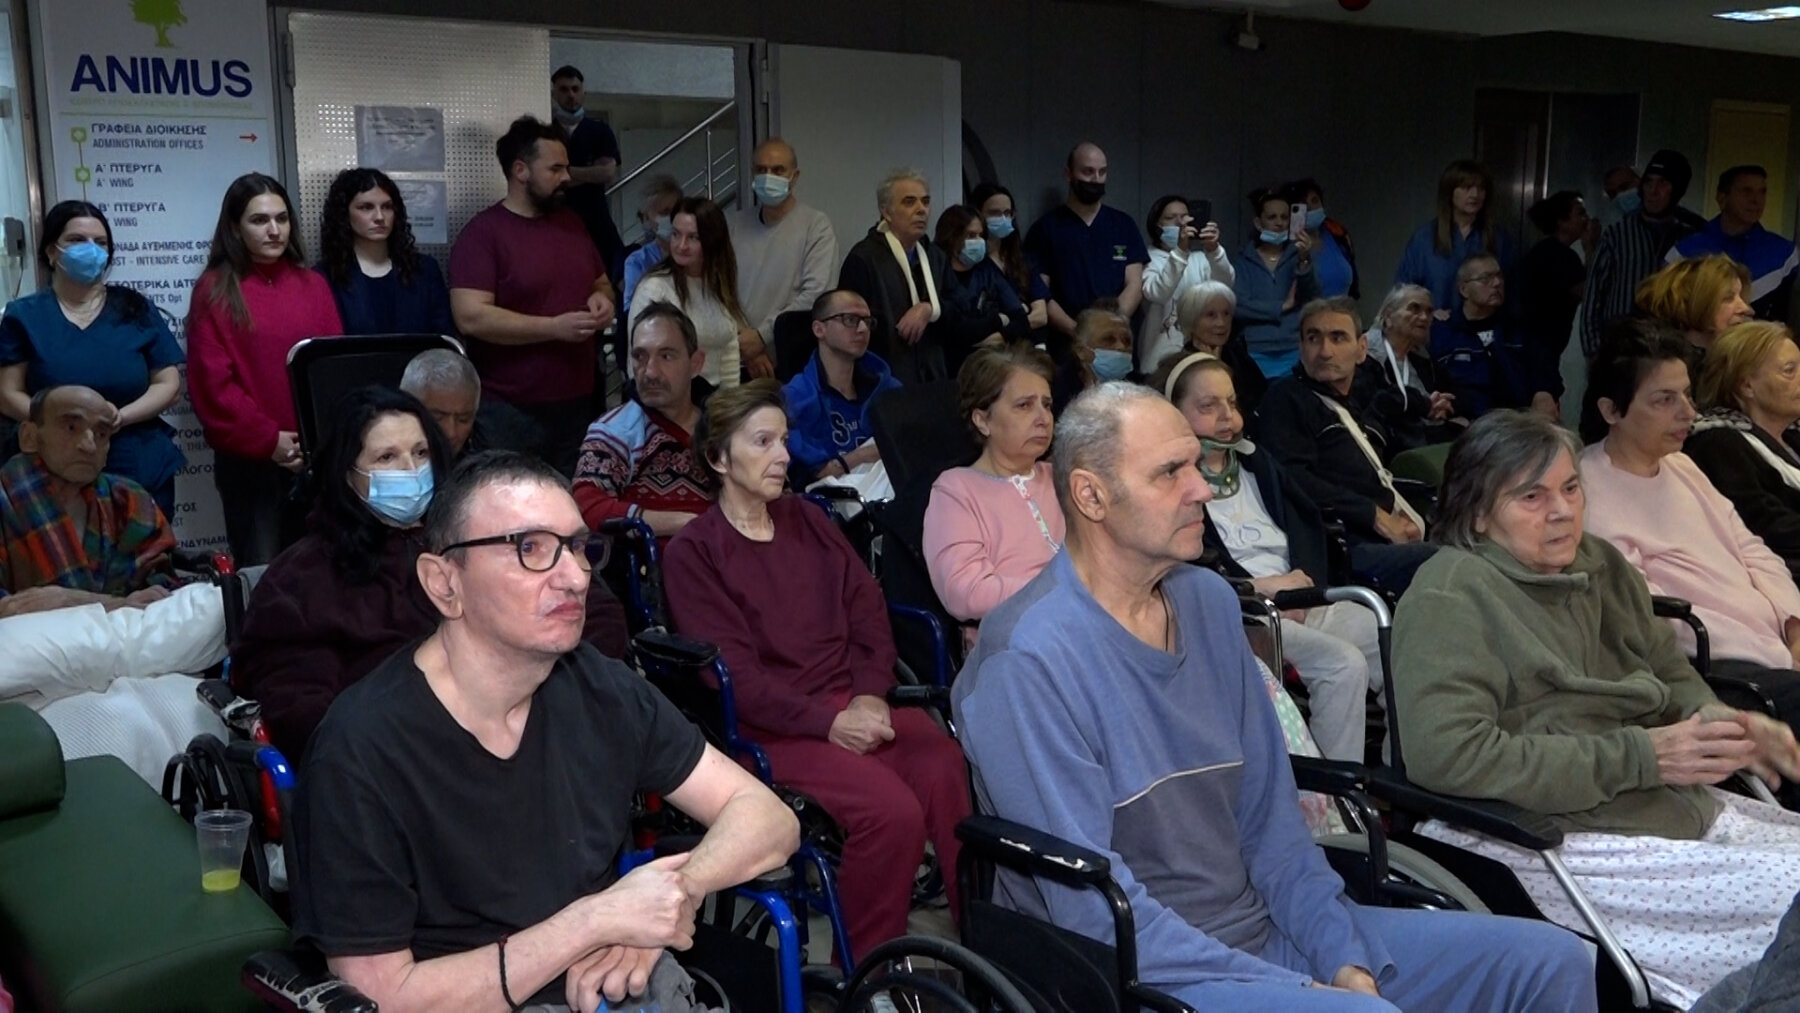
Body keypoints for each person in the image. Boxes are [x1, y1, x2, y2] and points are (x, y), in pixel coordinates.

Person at [954, 381, 1596, 1011]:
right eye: (1171, 472)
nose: (1203, 488)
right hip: (1143, 971)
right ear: (1091, 495)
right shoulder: (1027, 661)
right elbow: (1092, 912)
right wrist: (1296, 990)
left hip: (1267, 928)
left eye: (1196, 465)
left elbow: (1273, 826)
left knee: (1552, 961)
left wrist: (1342, 957)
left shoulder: (1208, 604)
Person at [290, 449, 798, 1012]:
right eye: (529, 548)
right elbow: (381, 998)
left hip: (618, 991)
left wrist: (670, 896)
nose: (575, 576)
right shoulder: (360, 751)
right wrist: (593, 921)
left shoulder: (600, 688)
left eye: (578, 547)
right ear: (444, 583)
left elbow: (768, 818)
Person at [1391, 407, 1800, 1008]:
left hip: (1663, 807)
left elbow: (1667, 669)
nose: (1562, 511)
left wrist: (1717, 721)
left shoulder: (1602, 565)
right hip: (1544, 833)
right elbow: (1448, 756)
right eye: (1531, 496)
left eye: (1571, 488)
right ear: (1478, 513)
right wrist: (1641, 757)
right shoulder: (1450, 595)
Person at [664, 380, 971, 961]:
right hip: (775, 727)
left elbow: (866, 608)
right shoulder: (695, 554)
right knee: (892, 813)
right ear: (719, 458)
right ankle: (867, 969)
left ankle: (980, 934)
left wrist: (871, 694)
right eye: (763, 442)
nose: (783, 455)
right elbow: (736, 679)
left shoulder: (807, 517)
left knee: (945, 765)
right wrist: (828, 722)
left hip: (852, 699)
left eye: (784, 440)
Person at [232, 385, 628, 760]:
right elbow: (300, 709)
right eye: (386, 458)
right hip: (394, 763)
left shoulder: (484, 532)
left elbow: (599, 614)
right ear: (346, 472)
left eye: (421, 453)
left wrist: (546, 699)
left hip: (535, 738)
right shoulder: (302, 578)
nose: (410, 469)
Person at [1152, 353, 1382, 762]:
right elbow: (1189, 572)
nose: (1227, 416)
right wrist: (1262, 590)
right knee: (1342, 665)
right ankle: (1332, 796)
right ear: (1174, 416)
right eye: (1208, 406)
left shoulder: (1259, 462)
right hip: (1248, 611)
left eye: (1231, 402)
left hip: (1301, 594)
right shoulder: (1173, 488)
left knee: (1385, 639)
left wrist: (1305, 582)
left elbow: (1307, 522)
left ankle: (1399, 768)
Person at [1578, 319, 1800, 715]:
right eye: (1665, 400)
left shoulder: (1681, 465)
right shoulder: (1587, 493)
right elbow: (1651, 617)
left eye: (1686, 394)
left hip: (1774, 643)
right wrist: (1772, 651)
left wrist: (1793, 625)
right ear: (1611, 410)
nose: (1689, 413)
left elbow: (1752, 549)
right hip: (1708, 667)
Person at [187, 172, 343, 565]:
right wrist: (269, 441)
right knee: (263, 575)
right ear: (235, 228)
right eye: (259, 220)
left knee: (322, 573)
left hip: (316, 460)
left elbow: (331, 368)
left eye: (281, 218)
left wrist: (322, 441)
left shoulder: (313, 284)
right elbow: (213, 385)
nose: (274, 230)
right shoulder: (215, 289)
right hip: (253, 463)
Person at [448, 115, 616, 477]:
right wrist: (553, 328)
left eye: (566, 167)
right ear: (520, 171)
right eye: (555, 168)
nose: (567, 177)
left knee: (573, 503)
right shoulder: (483, 234)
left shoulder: (572, 225)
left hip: (578, 405)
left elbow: (601, 283)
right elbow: (471, 316)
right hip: (508, 411)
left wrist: (603, 301)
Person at [0, 201, 184, 517]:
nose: (91, 249)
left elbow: (168, 383)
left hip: (135, 459)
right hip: (51, 465)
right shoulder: (25, 315)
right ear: (52, 252)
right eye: (77, 240)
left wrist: (119, 417)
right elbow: (7, 393)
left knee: (142, 546)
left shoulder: (135, 309)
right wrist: (67, 424)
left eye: (100, 242)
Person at [1257, 298, 1437, 592]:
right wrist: (1374, 515)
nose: (1325, 351)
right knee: (1447, 562)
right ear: (1301, 347)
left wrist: (1400, 513)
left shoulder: (1363, 397)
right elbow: (1292, 479)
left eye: (1338, 338)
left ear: (1362, 348)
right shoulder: (1285, 400)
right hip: (1340, 544)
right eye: (1313, 338)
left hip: (1388, 529)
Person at [923, 344, 1060, 646]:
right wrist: (1064, 589)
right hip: (1016, 642)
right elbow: (965, 592)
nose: (1043, 418)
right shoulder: (956, 490)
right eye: (1024, 405)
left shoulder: (1061, 477)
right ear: (982, 421)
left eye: (1047, 405)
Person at [0, 385, 176, 618]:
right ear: (29, 436)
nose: (89, 446)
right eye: (71, 428)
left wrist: (73, 601)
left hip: (126, 639)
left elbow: (163, 589)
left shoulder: (128, 498)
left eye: (101, 434)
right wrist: (114, 604)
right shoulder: (6, 499)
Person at [573, 302, 715, 538]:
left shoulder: (726, 426)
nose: (650, 372)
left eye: (666, 356)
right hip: (659, 558)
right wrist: (687, 524)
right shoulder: (614, 432)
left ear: (696, 363)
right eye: (640, 356)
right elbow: (586, 507)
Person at [1689, 321, 1800, 582]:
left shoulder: (1793, 436)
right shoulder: (1718, 443)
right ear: (1746, 386)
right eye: (1789, 371)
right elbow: (1763, 523)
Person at [1580, 148, 1705, 357]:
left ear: (1676, 190)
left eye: (1663, 184)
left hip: (1671, 348)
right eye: (1648, 182)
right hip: (1620, 349)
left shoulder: (1690, 237)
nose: (1653, 191)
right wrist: (1595, 354)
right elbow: (1592, 299)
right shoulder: (1617, 235)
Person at [1023, 143, 1148, 347]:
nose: (1096, 179)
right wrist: (1080, 333)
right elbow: (1041, 294)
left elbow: (1134, 285)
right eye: (1088, 172)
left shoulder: (1123, 224)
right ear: (1068, 174)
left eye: (1102, 172)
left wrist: (1108, 329)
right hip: (1066, 343)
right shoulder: (1045, 229)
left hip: (1116, 344)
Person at [630, 196, 762, 386]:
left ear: (712, 240)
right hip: (673, 398)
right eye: (676, 234)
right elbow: (638, 360)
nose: (681, 245)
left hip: (717, 398)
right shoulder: (654, 288)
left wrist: (730, 401)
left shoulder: (717, 283)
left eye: (693, 237)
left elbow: (729, 349)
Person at [838, 168, 952, 385]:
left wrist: (929, 308)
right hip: (883, 379)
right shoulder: (863, 258)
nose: (921, 210)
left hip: (933, 377)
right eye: (909, 202)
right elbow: (849, 324)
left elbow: (956, 310)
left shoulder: (935, 256)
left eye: (925, 202)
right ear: (886, 211)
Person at [316, 168, 454, 339]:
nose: (379, 217)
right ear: (344, 214)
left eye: (387, 207)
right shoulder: (325, 277)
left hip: (419, 357)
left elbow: (445, 340)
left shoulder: (424, 270)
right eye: (366, 207)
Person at [731, 138, 839, 354]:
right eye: (761, 170)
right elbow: (719, 289)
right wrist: (748, 343)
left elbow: (816, 295)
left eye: (778, 170)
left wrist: (763, 336)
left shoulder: (815, 226)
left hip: (790, 353)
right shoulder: (734, 224)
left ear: (794, 177)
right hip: (739, 350)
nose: (768, 177)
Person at [782, 289, 899, 484]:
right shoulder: (794, 399)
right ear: (819, 329)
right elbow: (800, 480)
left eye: (868, 321)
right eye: (850, 320)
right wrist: (861, 456)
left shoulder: (888, 389)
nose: (862, 329)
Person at [1428, 252, 1557, 419]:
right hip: (1465, 423)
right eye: (1485, 279)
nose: (1497, 283)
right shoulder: (1443, 333)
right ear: (1464, 290)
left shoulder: (1519, 329)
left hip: (1519, 421)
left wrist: (1543, 392)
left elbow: (1546, 369)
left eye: (1499, 276)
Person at [1670, 165, 1798, 323]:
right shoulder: (1684, 251)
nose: (1756, 200)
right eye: (1746, 191)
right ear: (1722, 198)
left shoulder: (1785, 255)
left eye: (1762, 192)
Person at [1395, 160, 1515, 317]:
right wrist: (1428, 312)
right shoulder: (1425, 238)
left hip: (1486, 326)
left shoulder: (1499, 238)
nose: (1475, 194)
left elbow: (1513, 290)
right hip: (1436, 326)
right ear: (1450, 192)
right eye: (1467, 188)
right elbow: (1404, 293)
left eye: (1481, 188)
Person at [1138, 194, 1234, 373]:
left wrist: (1214, 251)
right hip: (1157, 358)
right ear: (1156, 225)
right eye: (1170, 218)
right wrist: (1180, 251)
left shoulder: (1201, 259)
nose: (1180, 223)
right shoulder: (1148, 258)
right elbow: (1157, 293)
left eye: (1185, 217)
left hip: (1199, 355)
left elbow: (1225, 287)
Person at [1362, 284, 1458, 457]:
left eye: (1429, 311)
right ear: (1388, 316)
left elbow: (1453, 396)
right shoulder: (1364, 356)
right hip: (1388, 448)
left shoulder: (1425, 361)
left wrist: (1443, 407)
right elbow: (1375, 405)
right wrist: (1423, 406)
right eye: (1414, 308)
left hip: (1428, 442)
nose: (1424, 317)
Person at [550, 64, 626, 282]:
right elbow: (543, 178)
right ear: (554, 94)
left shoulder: (599, 130)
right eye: (564, 89)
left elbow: (607, 173)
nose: (571, 95)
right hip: (556, 219)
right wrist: (589, 172)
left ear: (584, 93)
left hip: (596, 220)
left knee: (606, 278)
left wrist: (563, 171)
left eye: (575, 89)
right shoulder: (546, 131)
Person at [935, 204, 1029, 376]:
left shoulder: (987, 271)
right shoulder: (938, 274)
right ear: (952, 237)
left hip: (991, 366)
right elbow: (956, 330)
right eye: (971, 235)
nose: (978, 241)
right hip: (951, 368)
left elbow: (1021, 320)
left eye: (980, 235)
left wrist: (1002, 336)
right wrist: (998, 320)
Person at [399, 348, 542, 460]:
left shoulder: (496, 452)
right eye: (437, 417)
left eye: (463, 419)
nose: (451, 433)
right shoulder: (388, 456)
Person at [1234, 187, 1318, 378]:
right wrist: (1282, 306)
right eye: (1272, 217)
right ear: (1258, 223)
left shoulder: (1298, 257)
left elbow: (1311, 299)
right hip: (1255, 349)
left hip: (1293, 347)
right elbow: (1239, 307)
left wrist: (1304, 260)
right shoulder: (1242, 260)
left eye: (1284, 217)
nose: (1279, 223)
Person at [1519, 190, 1591, 384]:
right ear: (1562, 221)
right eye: (1580, 213)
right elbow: (1588, 291)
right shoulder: (1560, 256)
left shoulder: (1548, 250)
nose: (1587, 219)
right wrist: (1591, 248)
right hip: (1540, 343)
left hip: (1539, 342)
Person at [1171, 281, 1267, 419]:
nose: (1221, 323)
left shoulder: (1238, 356)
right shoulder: (1180, 366)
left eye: (1226, 314)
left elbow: (1260, 398)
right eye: (1211, 315)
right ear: (1191, 319)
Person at [967, 182, 1051, 332]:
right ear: (978, 214)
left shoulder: (1021, 259)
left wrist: (1007, 328)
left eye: (1007, 213)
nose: (1002, 219)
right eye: (994, 213)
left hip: (1025, 343)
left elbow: (1040, 316)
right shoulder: (970, 260)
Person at [1635, 254, 1754, 356]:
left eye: (1741, 297)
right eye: (1728, 298)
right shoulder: (1664, 370)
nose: (1746, 308)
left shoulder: (1736, 365)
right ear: (1692, 303)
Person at [1285, 178, 1360, 300]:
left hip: (1342, 309)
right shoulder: (1287, 246)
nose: (1310, 208)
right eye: (1304, 204)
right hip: (1309, 311)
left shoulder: (1337, 235)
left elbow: (1353, 286)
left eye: (1315, 201)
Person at [621, 174, 682, 319]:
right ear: (646, 218)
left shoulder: (693, 253)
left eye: (676, 211)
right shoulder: (637, 261)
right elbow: (632, 308)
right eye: (665, 213)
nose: (672, 218)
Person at [1052, 306, 1134, 412]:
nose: (1121, 346)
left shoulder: (1144, 390)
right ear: (1081, 351)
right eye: (1109, 339)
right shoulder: (1054, 390)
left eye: (1127, 340)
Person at [1596, 165, 1642, 233]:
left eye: (1624, 187)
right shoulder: (1613, 234)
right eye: (1613, 193)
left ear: (1640, 183)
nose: (1619, 195)